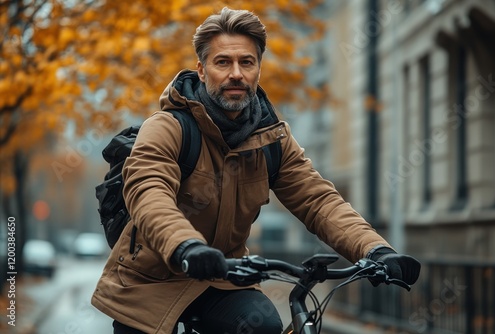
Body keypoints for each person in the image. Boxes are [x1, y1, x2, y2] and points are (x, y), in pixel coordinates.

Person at [91, 7, 420, 334]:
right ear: (202, 70)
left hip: (223, 279)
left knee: (263, 326)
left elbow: (319, 201)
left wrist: (375, 249)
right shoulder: (167, 127)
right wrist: (186, 245)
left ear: (258, 69)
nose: (236, 73)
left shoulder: (272, 139)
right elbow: (149, 194)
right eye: (223, 62)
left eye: (246, 62)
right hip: (151, 279)